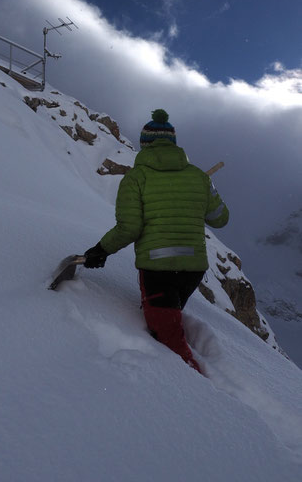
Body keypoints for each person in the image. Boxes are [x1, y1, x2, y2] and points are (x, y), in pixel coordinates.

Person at [84, 109, 229, 373]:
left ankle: (199, 393)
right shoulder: (198, 177)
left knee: (168, 341)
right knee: (166, 324)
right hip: (193, 270)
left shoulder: (136, 178)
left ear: (144, 145)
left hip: (158, 270)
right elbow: (220, 219)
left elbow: (130, 228)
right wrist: (206, 192)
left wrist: (101, 250)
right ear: (173, 144)